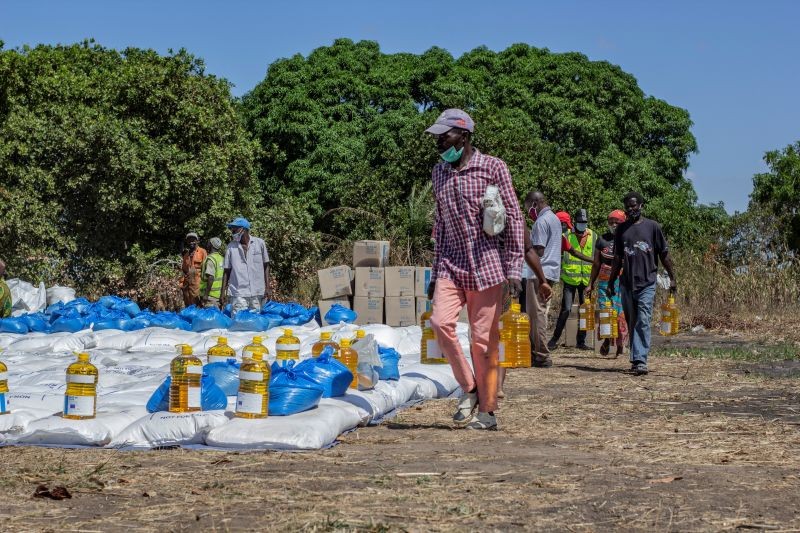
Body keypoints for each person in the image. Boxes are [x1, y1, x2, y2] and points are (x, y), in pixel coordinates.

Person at [424, 108, 524, 431]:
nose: (440, 143)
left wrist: (514, 268)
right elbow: (439, 224)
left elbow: (514, 218)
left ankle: (487, 412)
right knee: (440, 323)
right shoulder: (439, 173)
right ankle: (468, 387)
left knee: (483, 341)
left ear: (463, 136)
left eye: (445, 136)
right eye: (437, 138)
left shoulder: (492, 168)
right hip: (451, 265)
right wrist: (435, 270)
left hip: (486, 267)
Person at [607, 192, 677, 375]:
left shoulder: (652, 227)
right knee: (632, 321)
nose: (631, 209)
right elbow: (617, 258)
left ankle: (640, 360)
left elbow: (664, 254)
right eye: (628, 207)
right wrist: (610, 281)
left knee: (643, 320)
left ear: (641, 206)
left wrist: (672, 277)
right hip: (626, 283)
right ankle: (635, 357)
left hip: (647, 282)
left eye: (634, 206)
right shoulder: (621, 230)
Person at [549, 209, 595, 351]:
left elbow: (596, 255)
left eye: (584, 222)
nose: (582, 224)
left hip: (586, 280)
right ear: (574, 222)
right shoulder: (566, 235)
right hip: (569, 279)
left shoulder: (593, 235)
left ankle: (581, 341)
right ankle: (554, 340)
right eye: (580, 222)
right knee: (566, 309)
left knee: (585, 310)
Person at [524, 191, 559, 368]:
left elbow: (538, 251)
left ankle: (541, 354)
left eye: (528, 208)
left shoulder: (541, 222)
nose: (529, 213)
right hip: (550, 271)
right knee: (540, 311)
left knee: (536, 314)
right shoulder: (554, 219)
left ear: (534, 204)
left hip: (540, 274)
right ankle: (538, 352)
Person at [587, 210, 629, 356]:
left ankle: (619, 344)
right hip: (604, 280)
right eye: (611, 222)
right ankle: (606, 340)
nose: (614, 224)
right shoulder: (602, 239)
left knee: (619, 313)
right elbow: (596, 263)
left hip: (621, 280)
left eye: (617, 222)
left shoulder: (627, 239)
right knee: (606, 312)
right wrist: (590, 283)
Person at [220, 217, 272, 315]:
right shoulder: (231, 247)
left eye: (235, 229)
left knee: (255, 323)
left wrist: (267, 287)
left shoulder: (259, 243)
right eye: (232, 229)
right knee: (239, 323)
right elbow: (226, 271)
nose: (232, 231)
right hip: (238, 293)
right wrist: (222, 293)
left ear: (243, 229)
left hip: (257, 292)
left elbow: (266, 265)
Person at [180, 232, 207, 307]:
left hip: (198, 286)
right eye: (189, 240)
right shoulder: (186, 255)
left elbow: (206, 270)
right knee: (188, 305)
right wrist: (181, 284)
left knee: (198, 306)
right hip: (187, 287)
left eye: (193, 240)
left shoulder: (202, 252)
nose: (191, 242)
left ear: (197, 241)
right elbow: (184, 271)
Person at [199, 237, 224, 309]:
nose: (207, 244)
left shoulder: (210, 259)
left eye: (208, 243)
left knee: (209, 319)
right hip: (218, 295)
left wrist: (206, 295)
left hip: (210, 296)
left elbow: (211, 277)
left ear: (211, 245)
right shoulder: (221, 258)